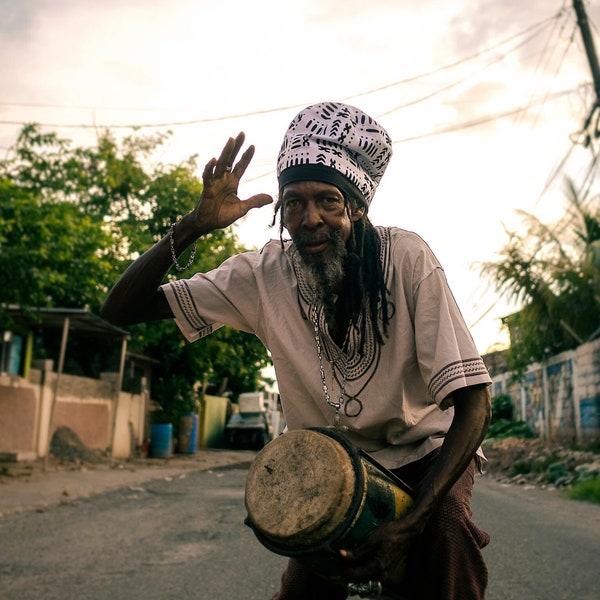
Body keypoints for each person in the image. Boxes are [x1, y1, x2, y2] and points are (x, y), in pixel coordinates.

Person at [101, 101, 492, 599]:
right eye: (293, 203)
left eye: (328, 200)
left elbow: (475, 403)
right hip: (329, 462)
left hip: (423, 453)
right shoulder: (263, 275)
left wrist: (412, 522)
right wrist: (194, 225)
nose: (309, 219)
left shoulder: (408, 260)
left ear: (357, 206)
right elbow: (119, 309)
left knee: (448, 534)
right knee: (307, 586)